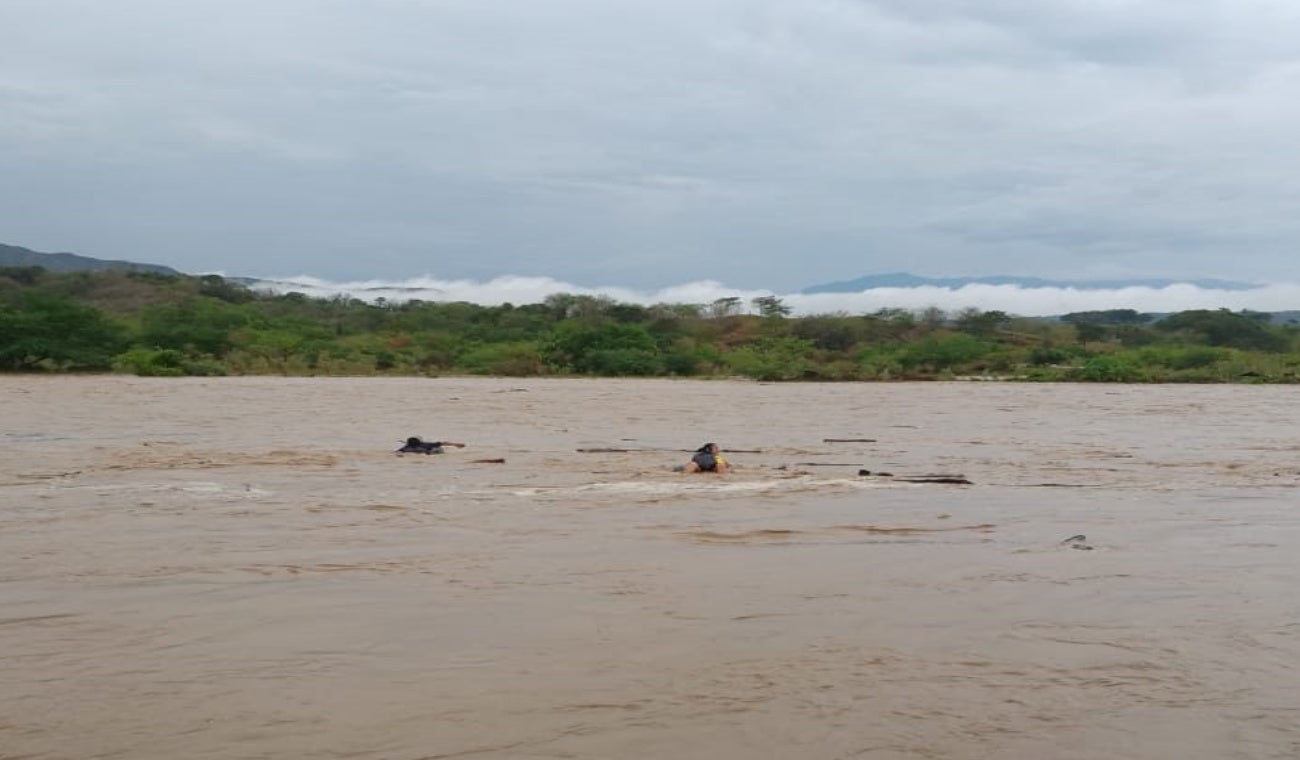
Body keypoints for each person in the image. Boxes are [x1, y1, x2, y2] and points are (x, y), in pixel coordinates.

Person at [395, 436, 466, 455]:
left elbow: (397, 452)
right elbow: (443, 443)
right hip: (427, 453)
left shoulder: (406, 448)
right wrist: (456, 444)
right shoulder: (426, 444)